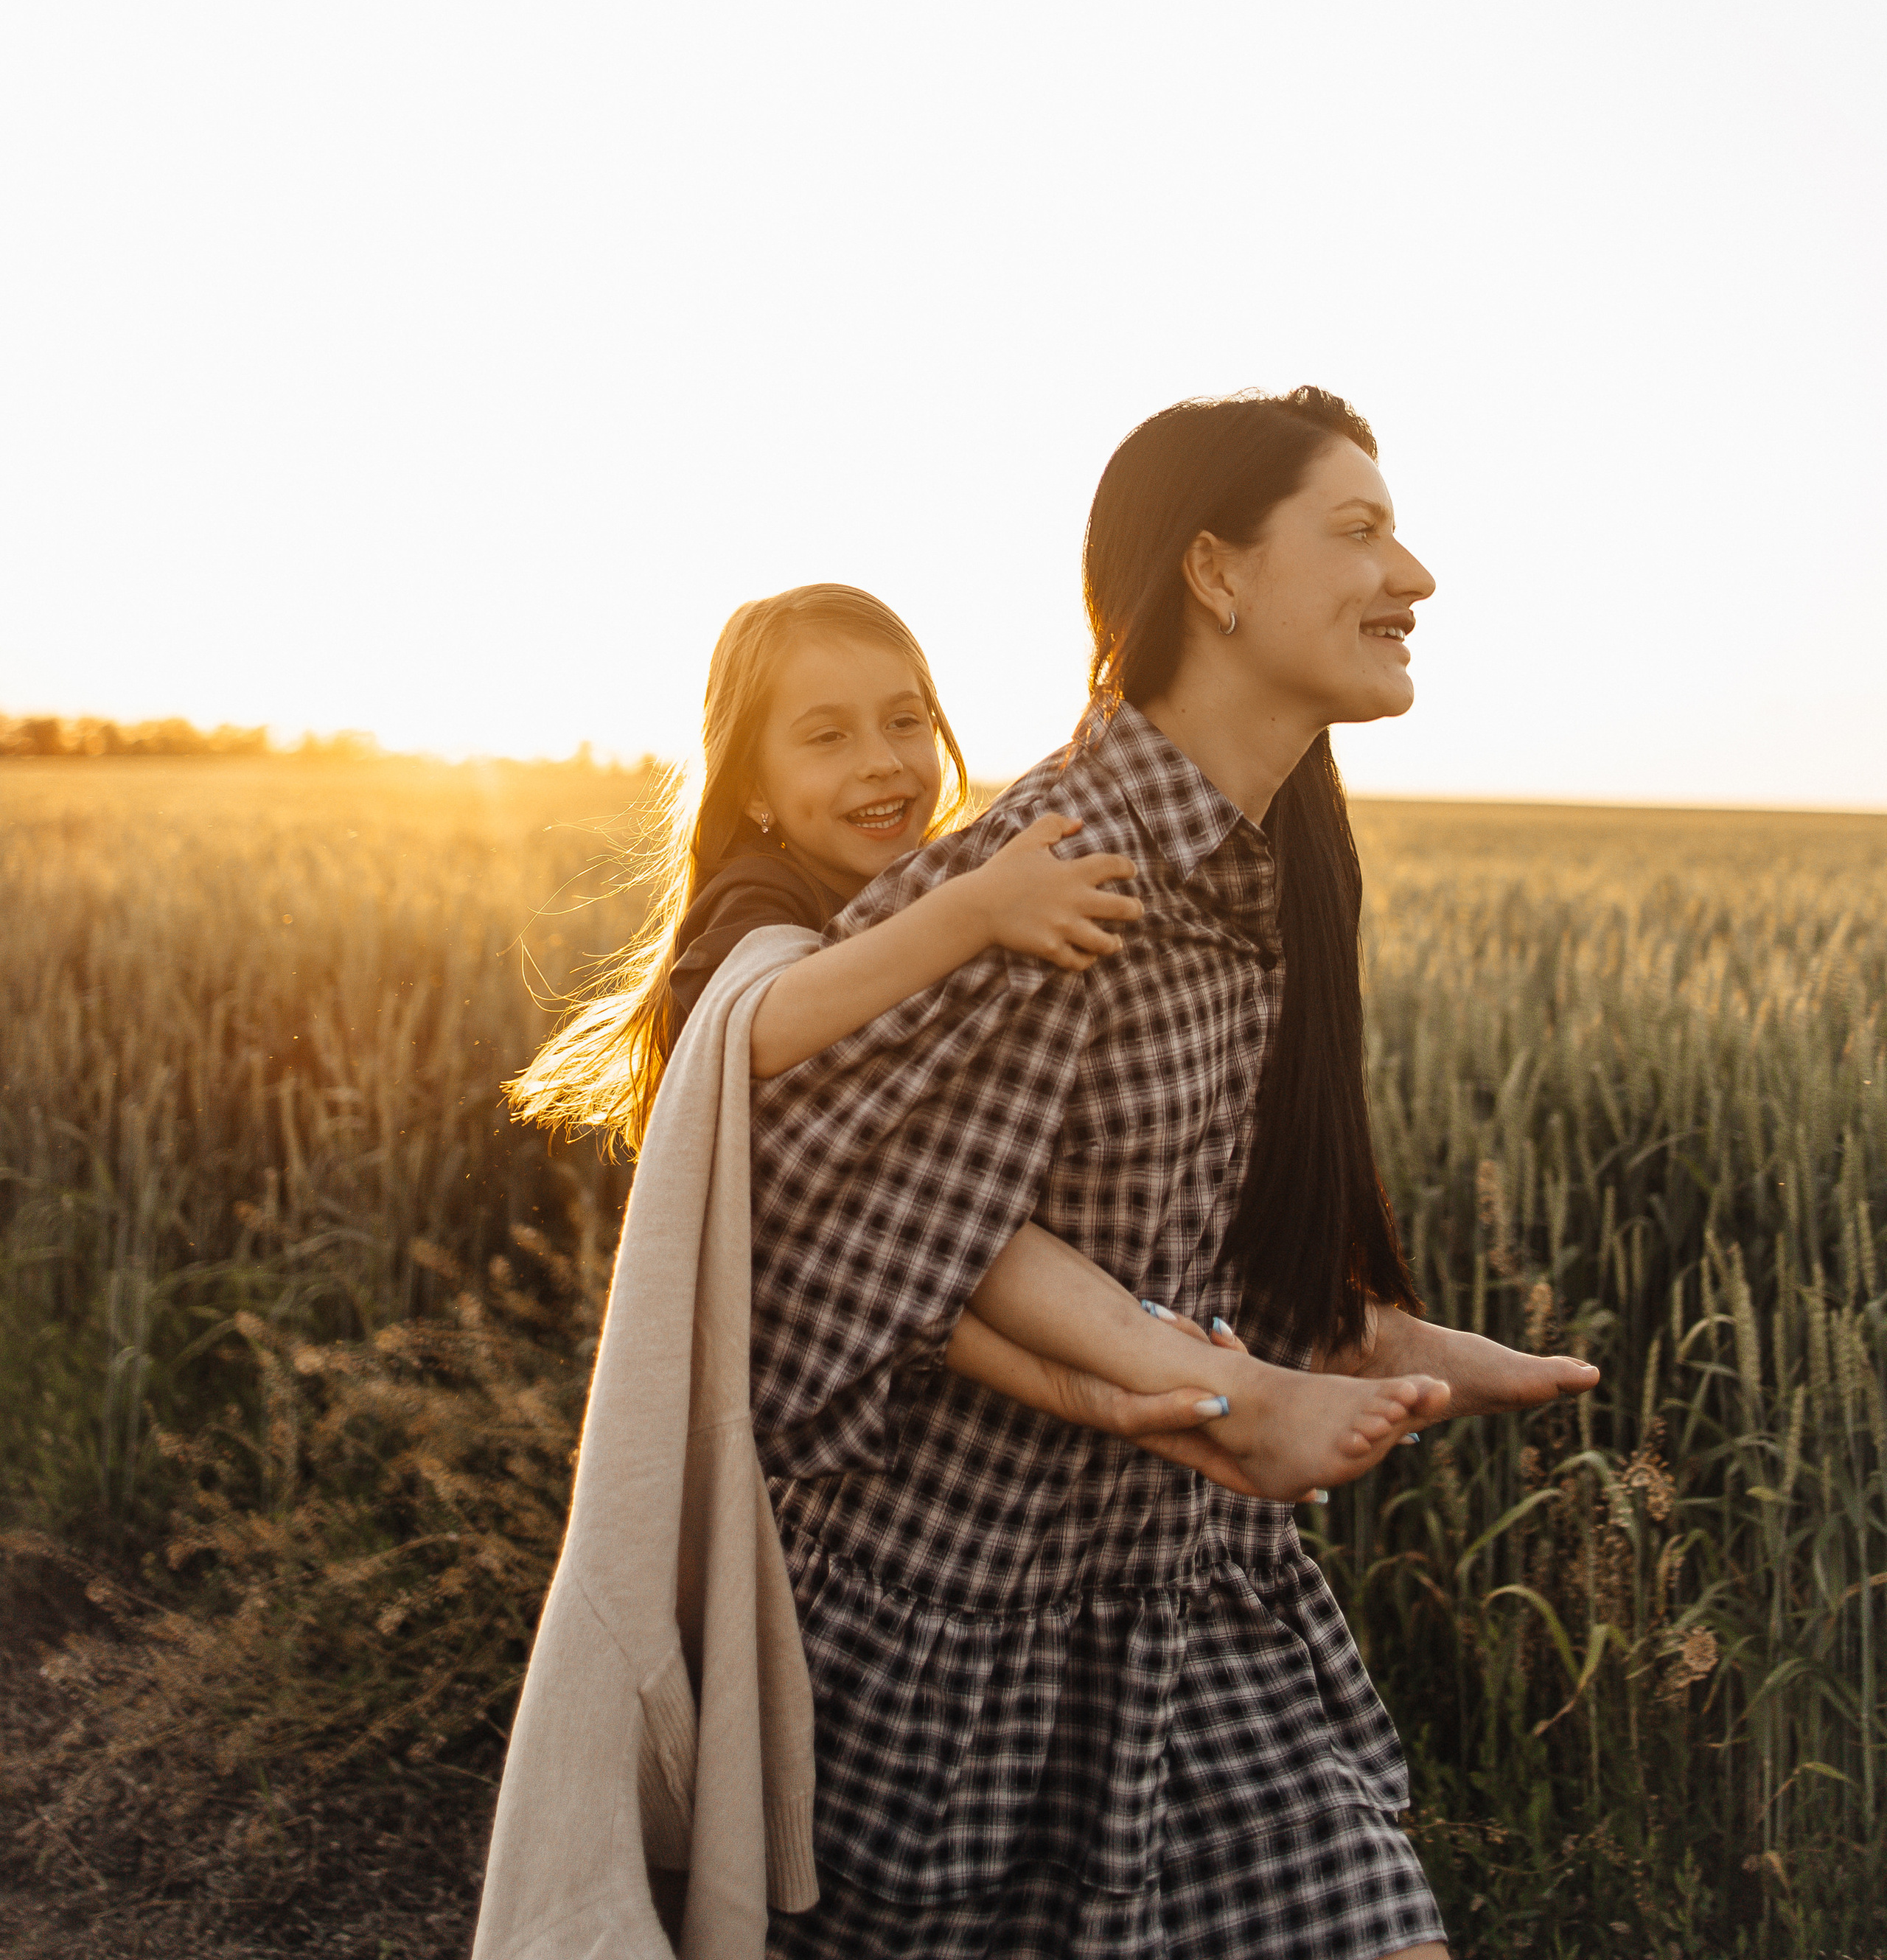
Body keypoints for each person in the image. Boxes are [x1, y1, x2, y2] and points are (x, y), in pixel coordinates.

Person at [744, 388, 1600, 1960]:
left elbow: (1188, 1218)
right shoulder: (1048, 875)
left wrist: (1363, 1335)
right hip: (967, 1627)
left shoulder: (1269, 870)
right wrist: (1207, 1390)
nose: (1411, 577)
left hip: (1185, 1589)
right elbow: (807, 1173)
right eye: (1355, 531)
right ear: (1211, 577)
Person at [511, 581, 1444, 1495]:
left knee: (985, 1201)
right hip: (803, 1278)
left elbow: (939, 1260)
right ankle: (1216, 1378)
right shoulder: (761, 893)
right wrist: (978, 908)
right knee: (946, 1206)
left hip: (908, 1272)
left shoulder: (916, 874)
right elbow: (750, 1028)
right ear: (752, 788)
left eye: (905, 721)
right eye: (827, 736)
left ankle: (1225, 1368)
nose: (881, 760)